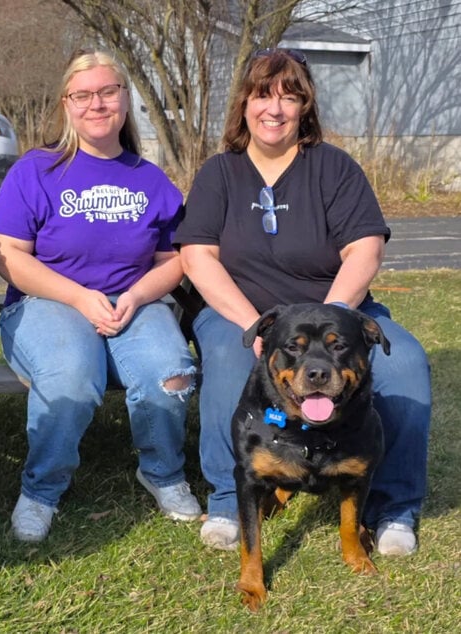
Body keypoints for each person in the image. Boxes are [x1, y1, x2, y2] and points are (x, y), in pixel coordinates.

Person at [176, 48, 430, 556]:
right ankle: (229, 499)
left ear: (305, 108)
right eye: (263, 94)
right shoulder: (219, 173)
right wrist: (257, 327)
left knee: (406, 366)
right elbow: (197, 256)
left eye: (290, 97)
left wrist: (332, 321)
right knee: (230, 360)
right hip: (243, 314)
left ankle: (393, 507)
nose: (275, 108)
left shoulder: (334, 168)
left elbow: (365, 248)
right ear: (244, 104)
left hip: (340, 310)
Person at [0, 49, 200, 543]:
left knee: (169, 372)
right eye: (83, 95)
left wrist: (137, 295)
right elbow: (7, 257)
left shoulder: (150, 179)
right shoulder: (36, 170)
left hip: (133, 304)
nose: (96, 104)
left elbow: (175, 259)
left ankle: (163, 474)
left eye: (108, 92)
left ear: (125, 100)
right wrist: (81, 298)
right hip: (47, 305)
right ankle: (41, 491)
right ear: (66, 104)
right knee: (72, 376)